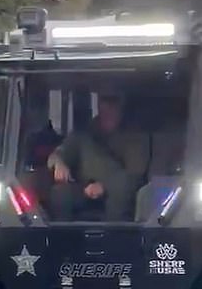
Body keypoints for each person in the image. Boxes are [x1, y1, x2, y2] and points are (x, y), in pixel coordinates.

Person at [47, 87, 150, 221]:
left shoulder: (135, 135)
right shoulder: (84, 132)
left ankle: (114, 238)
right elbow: (59, 153)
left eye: (113, 101)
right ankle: (62, 239)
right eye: (104, 100)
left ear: (122, 104)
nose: (108, 106)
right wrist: (58, 163)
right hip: (84, 188)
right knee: (59, 193)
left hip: (119, 192)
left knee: (122, 189)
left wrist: (104, 186)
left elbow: (136, 173)